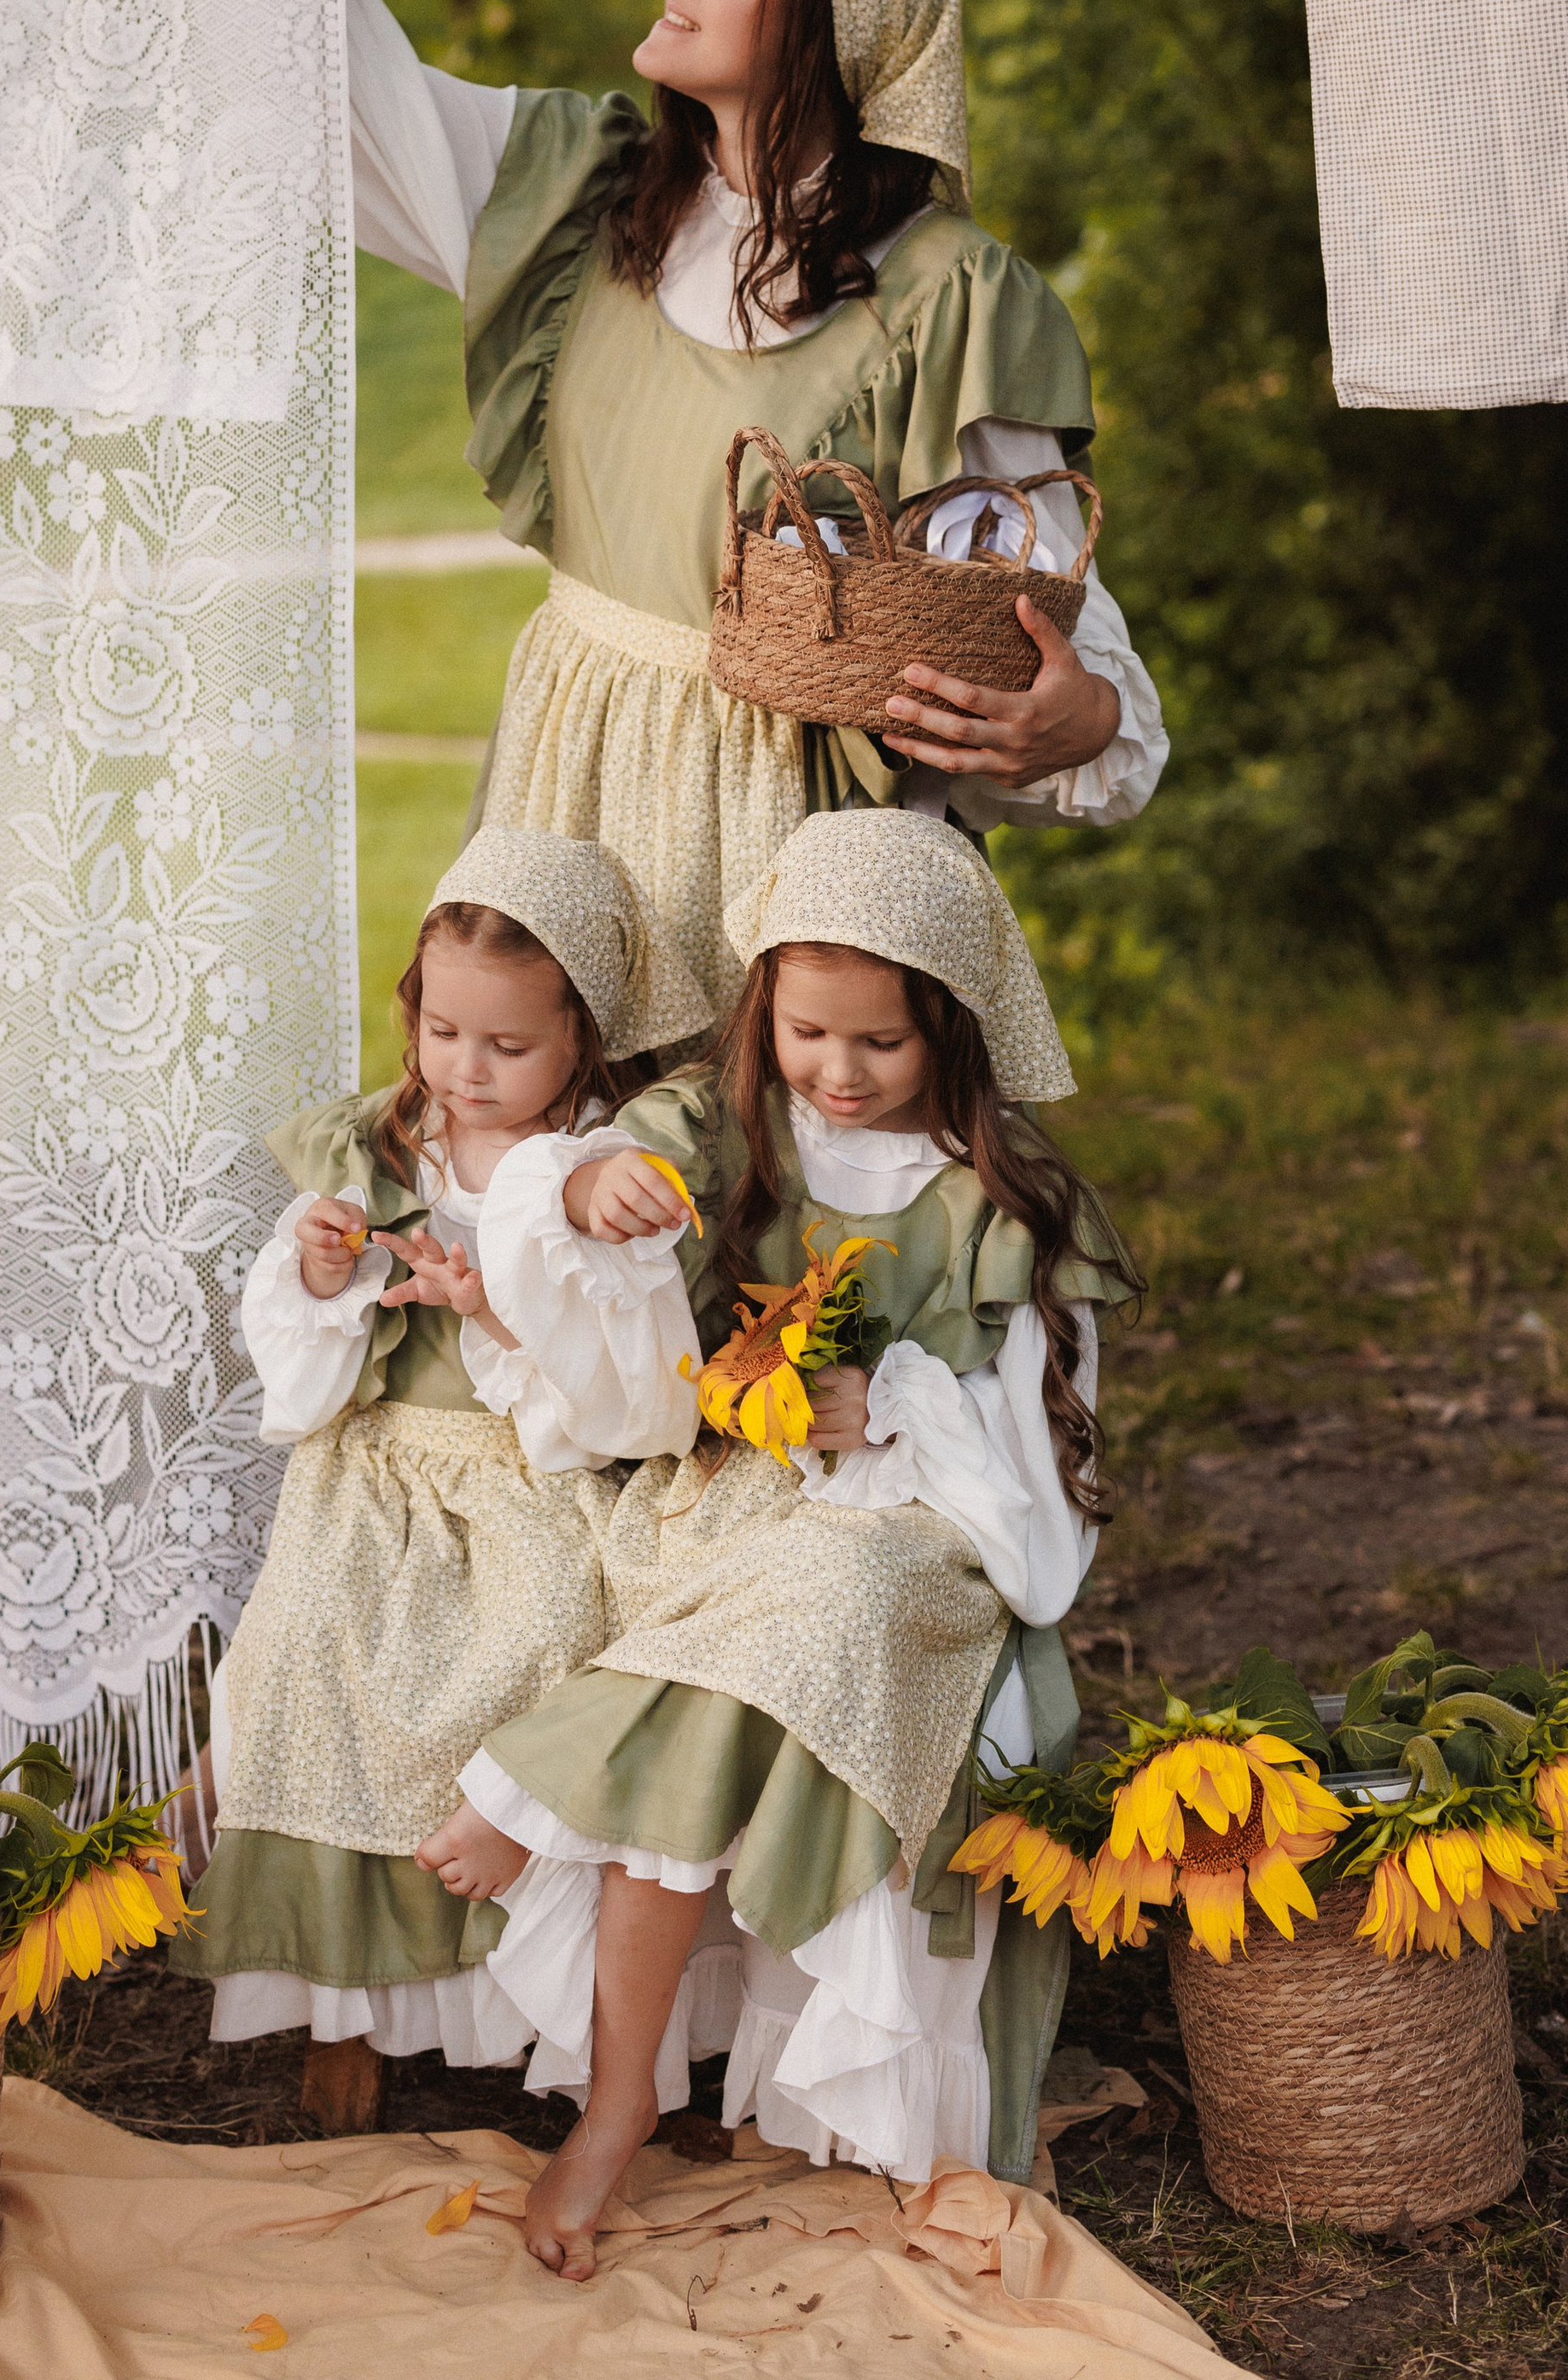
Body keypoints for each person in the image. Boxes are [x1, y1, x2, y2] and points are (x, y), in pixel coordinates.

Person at [106, 0, 1169, 1007]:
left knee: (770, 1220)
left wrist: (1078, 726)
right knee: (567, 1211)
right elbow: (306, 68)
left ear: (842, 28)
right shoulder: (579, 197)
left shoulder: (950, 301)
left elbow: (1073, 663)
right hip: (572, 791)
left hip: (800, 872)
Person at [418, 807, 1139, 2278]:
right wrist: (580, 1185)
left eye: (880, 1042)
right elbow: (544, 1202)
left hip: (926, 1539)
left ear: (954, 1028)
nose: (838, 1070)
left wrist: (903, 1402)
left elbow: (1037, 1512)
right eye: (808, 1030)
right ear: (766, 1008)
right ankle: (620, 2097)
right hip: (736, 1497)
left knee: (829, 1590)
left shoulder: (1007, 1208)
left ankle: (546, 1793)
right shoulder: (724, 1125)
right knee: (764, 1606)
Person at [193, 825, 709, 2074]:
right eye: (441, 1032)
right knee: (318, 1632)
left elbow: (615, 1374)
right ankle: (349, 1997)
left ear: (579, 1036)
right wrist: (326, 1270)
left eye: (508, 1044)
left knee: (534, 1634)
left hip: (532, 1469)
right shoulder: (378, 1146)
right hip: (381, 1466)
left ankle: (508, 1993)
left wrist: (494, 1305)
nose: (465, 1070)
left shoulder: (599, 1158)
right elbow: (302, 1365)